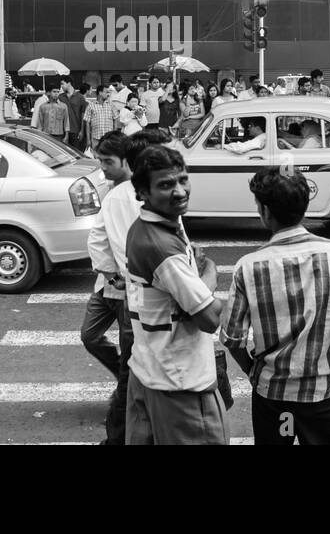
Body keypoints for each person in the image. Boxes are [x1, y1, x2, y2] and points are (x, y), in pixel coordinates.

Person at [222, 167, 330, 445]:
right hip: (321, 393)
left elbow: (233, 339)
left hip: (272, 397)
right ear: (305, 205)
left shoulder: (248, 267)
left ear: (264, 211)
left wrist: (252, 371)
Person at [124, 145, 227, 444]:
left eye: (183, 179)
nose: (180, 191)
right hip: (180, 384)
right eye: (166, 185)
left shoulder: (147, 226)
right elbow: (209, 319)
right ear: (142, 192)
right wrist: (210, 276)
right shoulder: (160, 246)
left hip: (148, 370)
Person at [83, 131, 141, 444]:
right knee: (89, 336)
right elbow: (100, 238)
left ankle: (120, 422)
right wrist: (107, 274)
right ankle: (124, 377)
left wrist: (121, 277)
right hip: (106, 282)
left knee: (130, 359)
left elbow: (126, 245)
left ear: (125, 162)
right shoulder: (112, 189)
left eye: (107, 161)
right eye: (100, 159)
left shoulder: (130, 195)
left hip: (125, 287)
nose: (102, 166)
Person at [83, 84, 123, 152]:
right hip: (95, 138)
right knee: (96, 158)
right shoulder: (91, 105)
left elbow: (116, 119)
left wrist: (113, 135)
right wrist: (88, 140)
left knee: (107, 157)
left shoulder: (111, 105)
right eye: (106, 92)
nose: (108, 94)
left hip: (108, 139)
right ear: (100, 93)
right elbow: (87, 123)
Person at [62, 79, 90, 147]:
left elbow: (83, 115)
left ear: (69, 83)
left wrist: (82, 131)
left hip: (76, 130)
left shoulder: (80, 97)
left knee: (76, 152)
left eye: (62, 84)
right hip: (63, 131)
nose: (61, 86)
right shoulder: (60, 97)